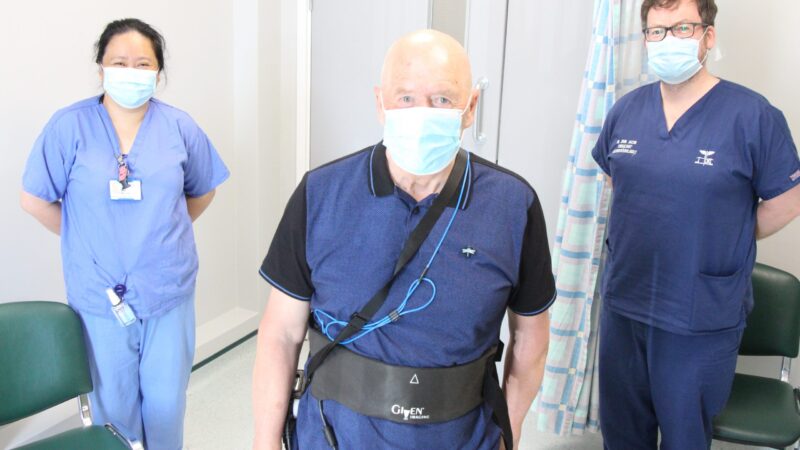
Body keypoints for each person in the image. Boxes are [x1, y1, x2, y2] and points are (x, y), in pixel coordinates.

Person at [252, 30, 555, 450]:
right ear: (381, 103)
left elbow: (530, 339)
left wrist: (509, 435)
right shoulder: (321, 194)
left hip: (461, 437)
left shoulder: (512, 205)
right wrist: (265, 441)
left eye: (442, 99)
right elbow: (281, 335)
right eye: (406, 97)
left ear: (470, 108)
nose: (422, 113)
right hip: (334, 435)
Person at [592, 0, 800, 448]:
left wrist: (727, 231)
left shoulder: (752, 116)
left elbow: (788, 200)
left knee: (685, 438)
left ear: (708, 35)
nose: (667, 40)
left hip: (698, 314)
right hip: (625, 304)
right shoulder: (626, 111)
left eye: (682, 28)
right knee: (622, 436)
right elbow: (617, 181)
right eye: (657, 31)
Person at [20, 18, 229, 449]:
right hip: (99, 297)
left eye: (142, 63)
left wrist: (163, 237)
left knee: (166, 406)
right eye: (119, 62)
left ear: (158, 72)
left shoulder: (179, 127)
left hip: (168, 290)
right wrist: (84, 241)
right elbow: (34, 198)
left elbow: (203, 190)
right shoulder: (69, 127)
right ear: (101, 68)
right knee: (113, 412)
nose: (130, 71)